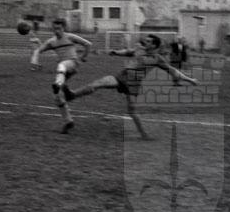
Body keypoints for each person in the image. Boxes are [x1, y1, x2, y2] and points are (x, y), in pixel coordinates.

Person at [62, 34, 198, 140]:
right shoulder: (139, 49)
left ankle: (143, 134)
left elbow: (174, 71)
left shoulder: (158, 59)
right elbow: (128, 52)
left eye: (149, 41)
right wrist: (116, 52)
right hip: (122, 76)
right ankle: (72, 94)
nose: (145, 42)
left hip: (133, 85)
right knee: (98, 83)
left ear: (154, 45)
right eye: (146, 40)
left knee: (132, 111)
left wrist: (190, 80)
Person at [32, 19, 91, 133]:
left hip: (72, 64)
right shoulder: (52, 41)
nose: (56, 31)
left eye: (59, 28)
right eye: (54, 29)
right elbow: (39, 50)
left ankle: (59, 84)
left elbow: (88, 44)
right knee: (57, 96)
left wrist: (83, 57)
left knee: (61, 65)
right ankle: (68, 121)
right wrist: (35, 58)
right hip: (62, 72)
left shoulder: (70, 37)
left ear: (64, 28)